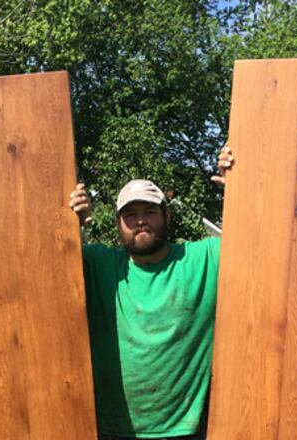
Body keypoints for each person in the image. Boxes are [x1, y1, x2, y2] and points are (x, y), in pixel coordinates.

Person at [69, 146, 233, 440]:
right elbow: (45, 264)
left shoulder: (202, 260)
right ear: (118, 222)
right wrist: (71, 222)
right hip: (109, 430)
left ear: (166, 216)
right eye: (130, 214)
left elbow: (257, 240)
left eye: (149, 211)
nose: (140, 220)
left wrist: (239, 189)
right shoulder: (101, 266)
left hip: (186, 430)